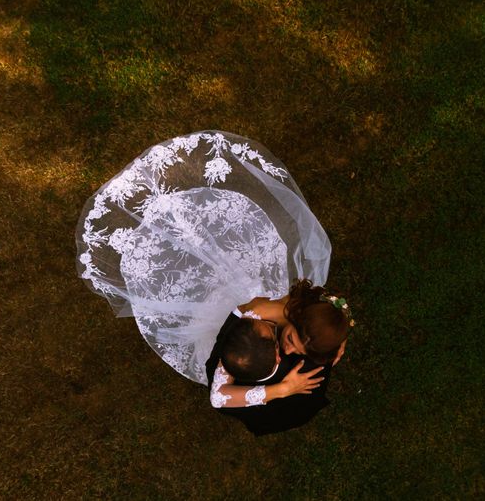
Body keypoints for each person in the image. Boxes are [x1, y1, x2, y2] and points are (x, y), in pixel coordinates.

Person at [75, 131, 334, 388]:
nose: (289, 350)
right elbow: (233, 336)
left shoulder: (306, 320)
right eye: (291, 340)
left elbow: (333, 317)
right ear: (298, 321)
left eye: (296, 348)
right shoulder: (267, 311)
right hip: (238, 321)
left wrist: (333, 346)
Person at [205, 279, 354, 435]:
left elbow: (335, 303)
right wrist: (284, 389)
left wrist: (339, 336)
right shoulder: (256, 318)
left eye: (300, 351)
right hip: (246, 341)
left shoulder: (314, 314)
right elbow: (218, 396)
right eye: (290, 339)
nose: (288, 351)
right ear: (296, 318)